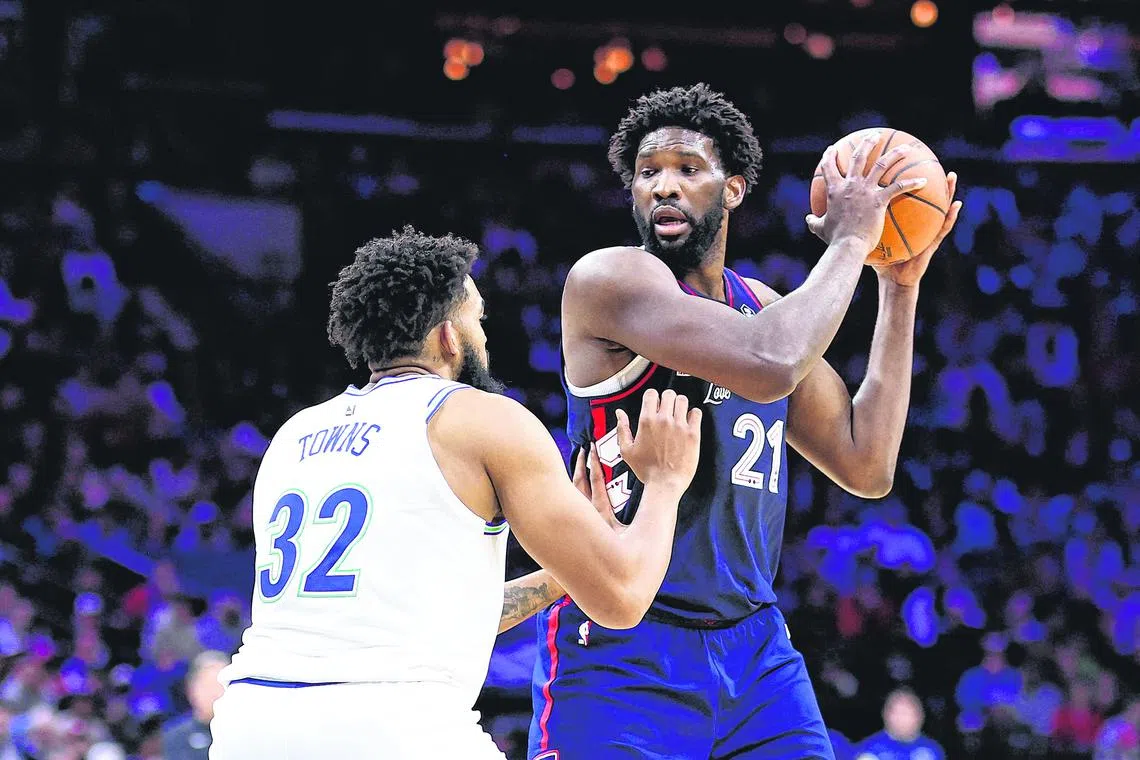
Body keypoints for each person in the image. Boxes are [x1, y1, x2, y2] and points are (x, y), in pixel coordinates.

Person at [529, 83, 962, 759]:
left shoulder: (760, 306)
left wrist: (897, 286)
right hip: (625, 645)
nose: (664, 186)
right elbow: (771, 362)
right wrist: (853, 239)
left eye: (688, 169)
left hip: (754, 650)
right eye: (648, 173)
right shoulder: (608, 281)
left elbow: (866, 461)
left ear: (732, 189)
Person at [209, 226, 702, 759]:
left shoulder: (294, 435)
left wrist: (567, 571)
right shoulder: (479, 418)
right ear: (448, 336)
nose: (484, 339)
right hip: (391, 723)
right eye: (478, 320)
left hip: (250, 723)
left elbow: (431, 622)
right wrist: (665, 482)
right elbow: (623, 600)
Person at [161, 650, 229, 760]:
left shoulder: (247, 731)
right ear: (191, 689)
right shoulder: (176, 735)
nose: (215, 693)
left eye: (220, 686)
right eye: (208, 685)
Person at [854, 688, 946, 760]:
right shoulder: (869, 750)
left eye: (907, 713)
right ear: (885, 715)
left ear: (920, 716)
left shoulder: (933, 750)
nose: (901, 719)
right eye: (896, 712)